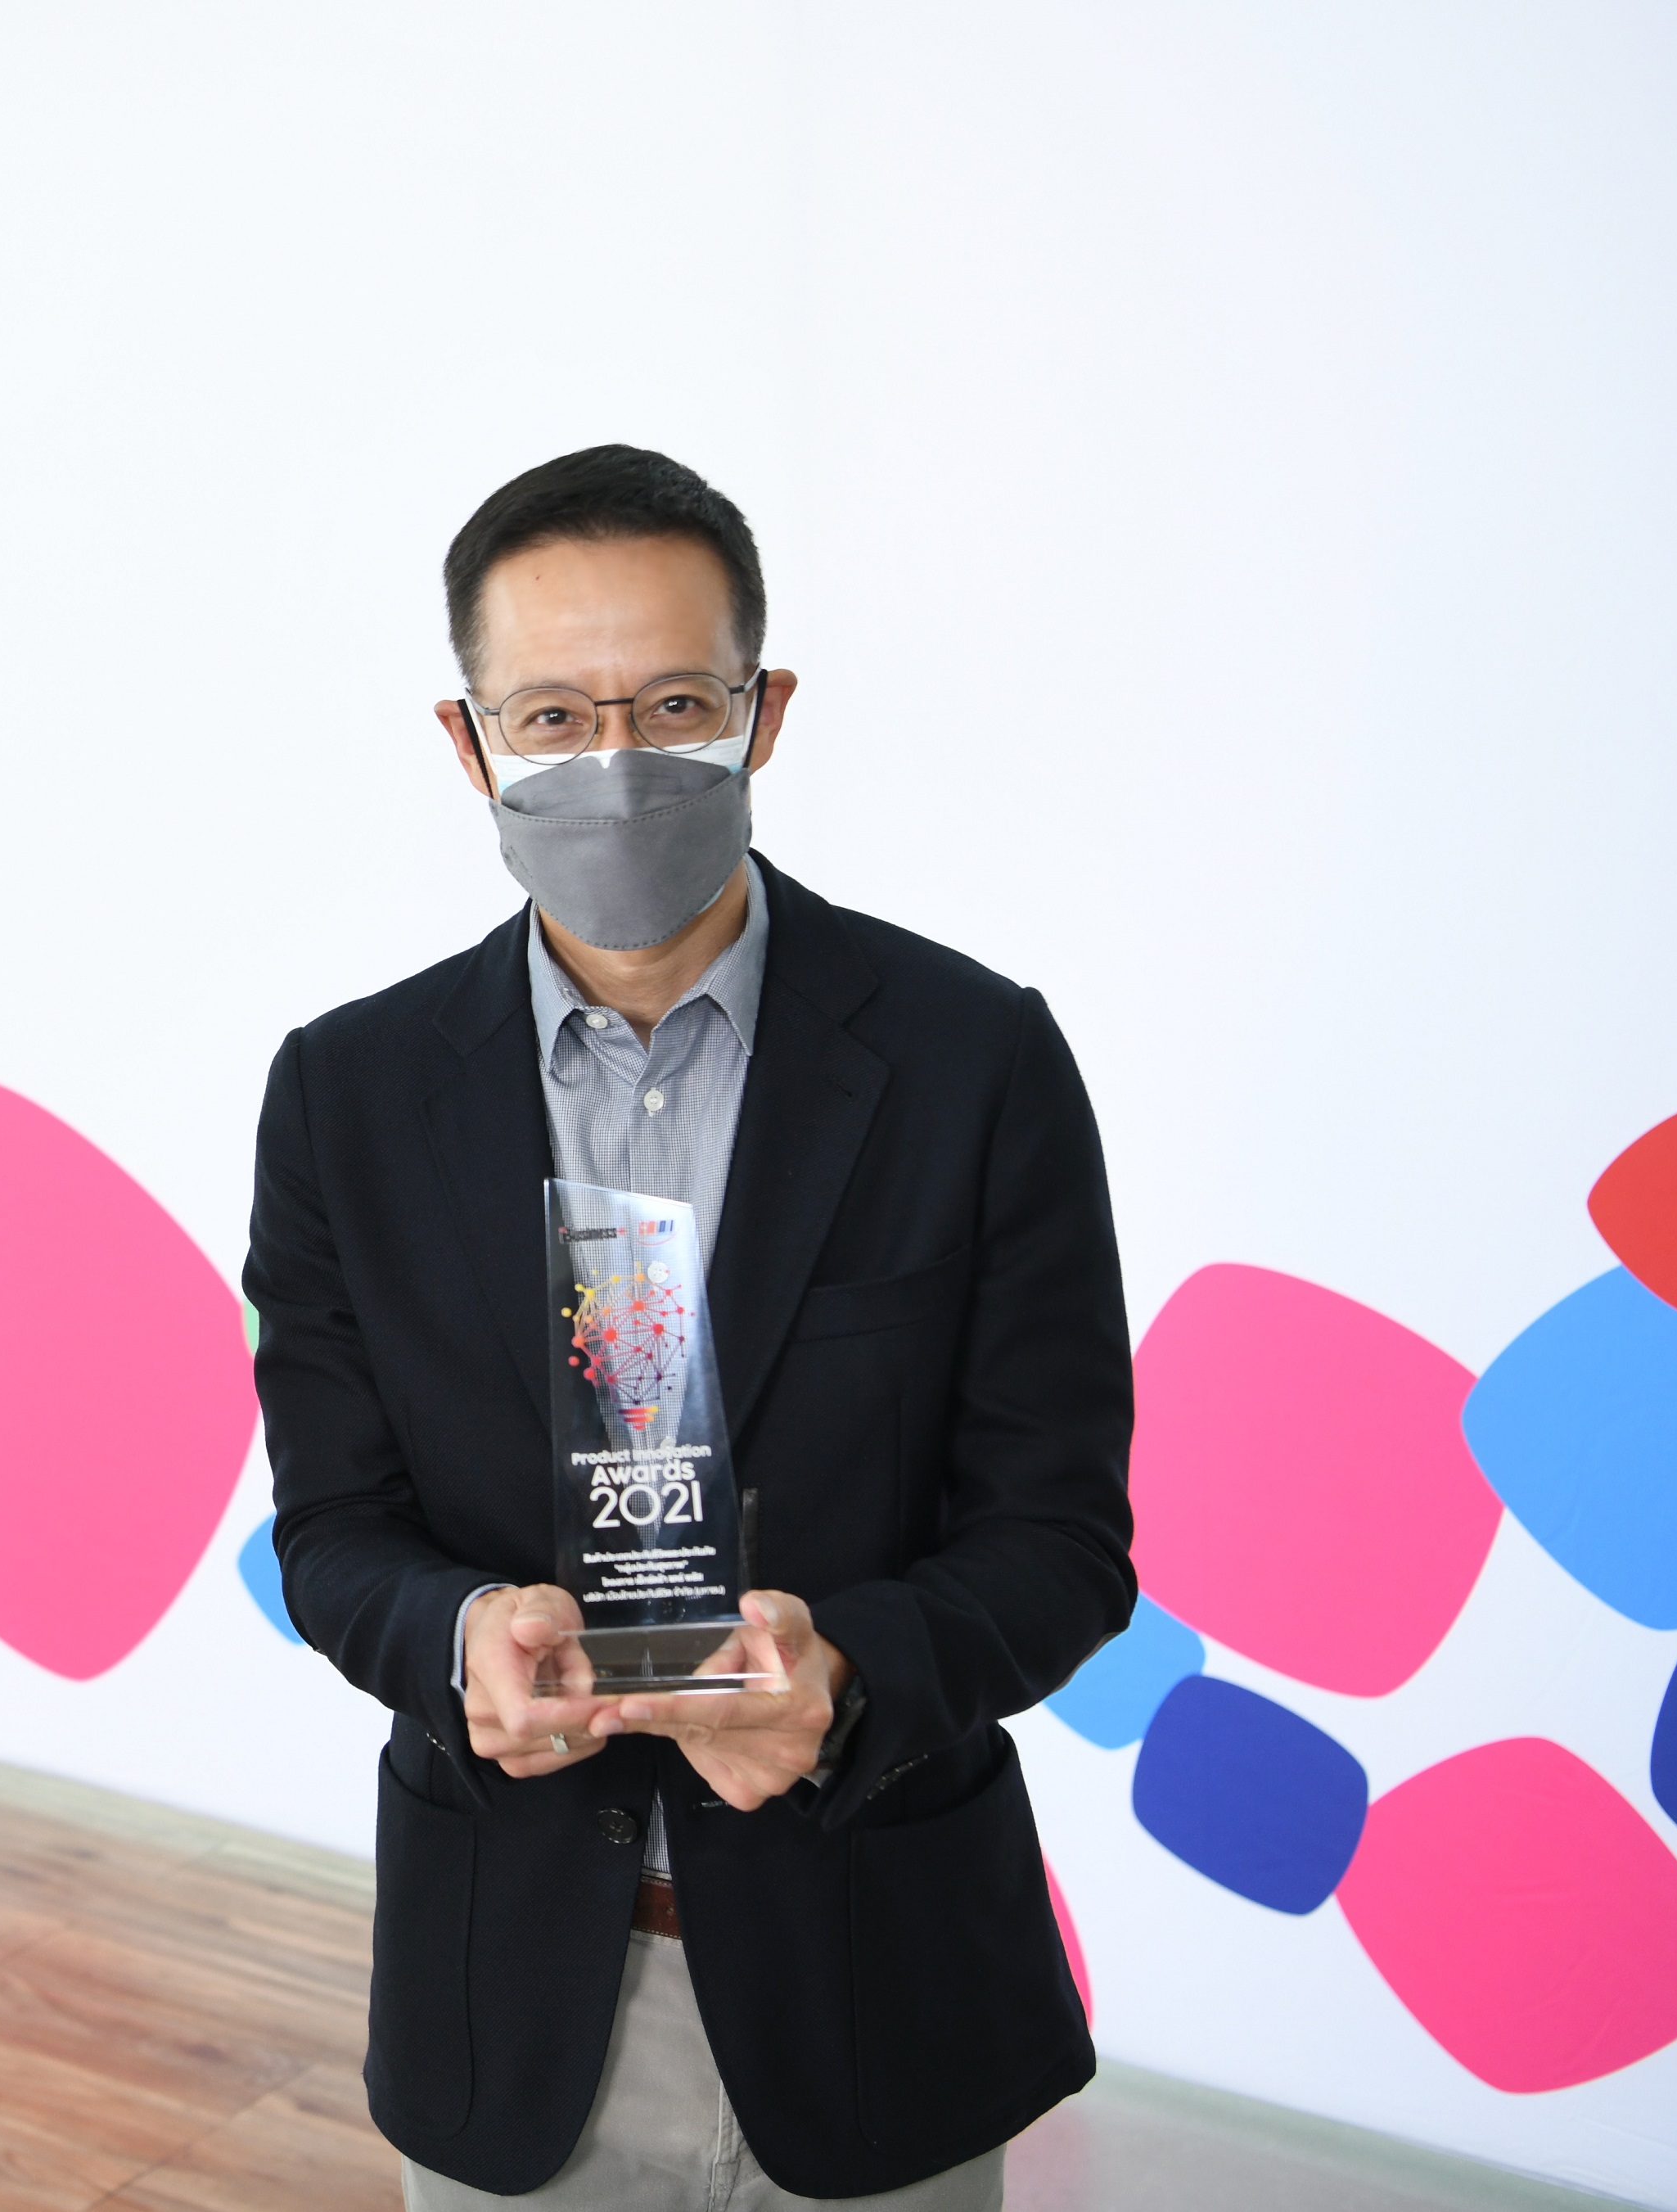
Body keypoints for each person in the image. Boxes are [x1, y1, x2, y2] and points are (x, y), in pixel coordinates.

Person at [247, 447, 1133, 2209]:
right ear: (469, 742)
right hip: (511, 1989)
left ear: (763, 711)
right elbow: (334, 1530)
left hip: (884, 1973)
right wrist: (459, 1637)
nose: (617, 761)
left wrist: (848, 1674)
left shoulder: (973, 1062)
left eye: (673, 704)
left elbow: (1061, 1544)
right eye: (553, 716)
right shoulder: (346, 1095)